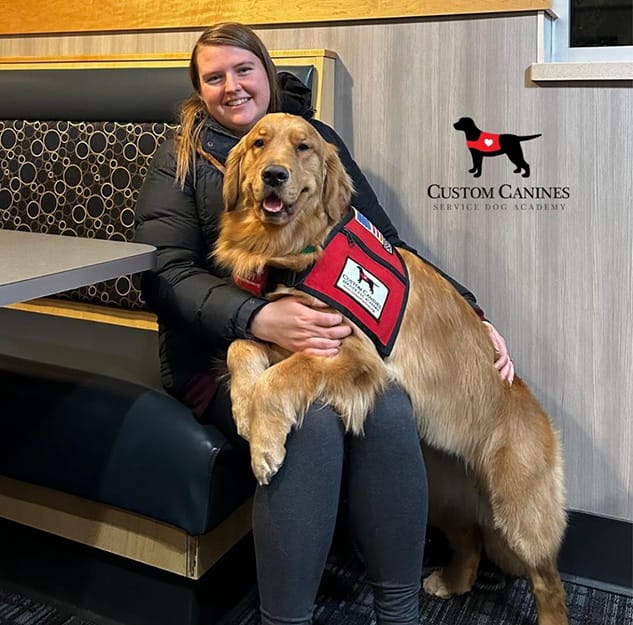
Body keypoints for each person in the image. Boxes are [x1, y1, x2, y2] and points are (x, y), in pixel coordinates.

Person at [134, 22, 514, 625]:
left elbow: (387, 245)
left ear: (265, 71)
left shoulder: (320, 142)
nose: (231, 86)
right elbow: (164, 274)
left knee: (388, 405)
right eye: (214, 77)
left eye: (243, 70)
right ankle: (286, 617)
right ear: (199, 89)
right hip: (217, 350)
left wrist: (473, 312)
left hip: (325, 343)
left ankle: (399, 609)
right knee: (308, 424)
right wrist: (258, 317)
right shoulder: (179, 155)